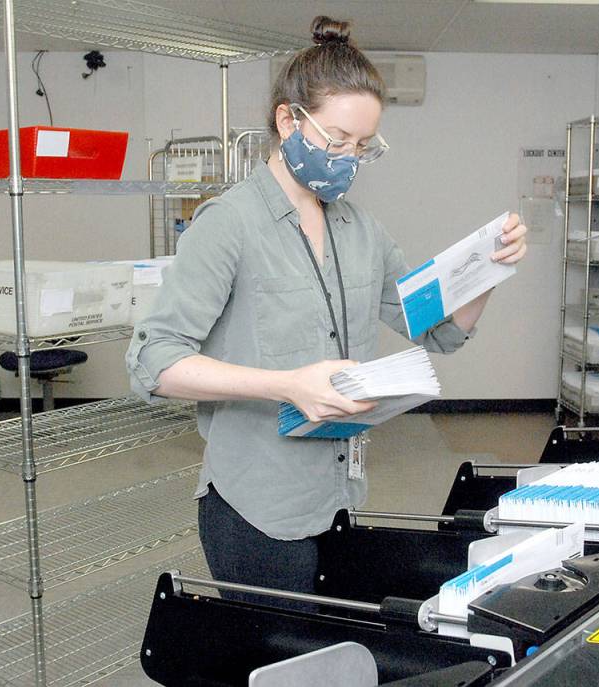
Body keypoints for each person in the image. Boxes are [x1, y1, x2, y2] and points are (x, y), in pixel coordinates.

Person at [126, 16, 528, 604]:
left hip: (338, 495)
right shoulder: (229, 225)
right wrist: (289, 385)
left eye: (363, 147)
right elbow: (151, 364)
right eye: (337, 141)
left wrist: (489, 269)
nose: (349, 159)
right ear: (289, 120)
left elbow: (439, 333)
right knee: (275, 659)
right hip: (254, 506)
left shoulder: (360, 230)